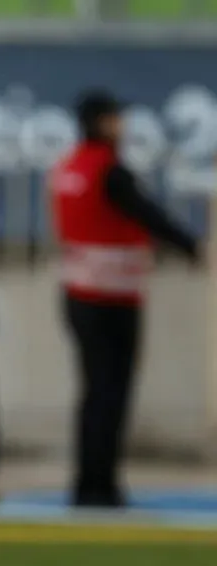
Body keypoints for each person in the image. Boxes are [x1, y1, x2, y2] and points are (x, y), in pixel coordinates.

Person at [50, 89, 199, 508]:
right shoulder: (109, 170)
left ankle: (87, 482)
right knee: (111, 394)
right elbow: (146, 212)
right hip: (113, 299)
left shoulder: (68, 168)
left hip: (77, 293)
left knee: (93, 392)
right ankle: (102, 485)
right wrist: (191, 246)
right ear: (103, 122)